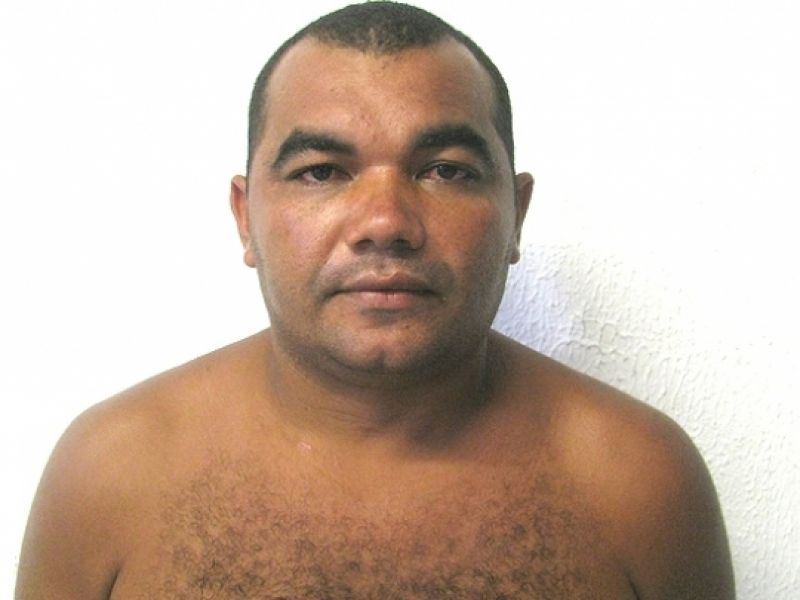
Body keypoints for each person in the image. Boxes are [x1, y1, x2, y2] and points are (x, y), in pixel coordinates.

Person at [16, 3, 735, 598]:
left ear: (515, 215)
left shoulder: (638, 483)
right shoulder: (112, 473)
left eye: (446, 170)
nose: (386, 222)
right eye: (322, 171)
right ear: (245, 217)